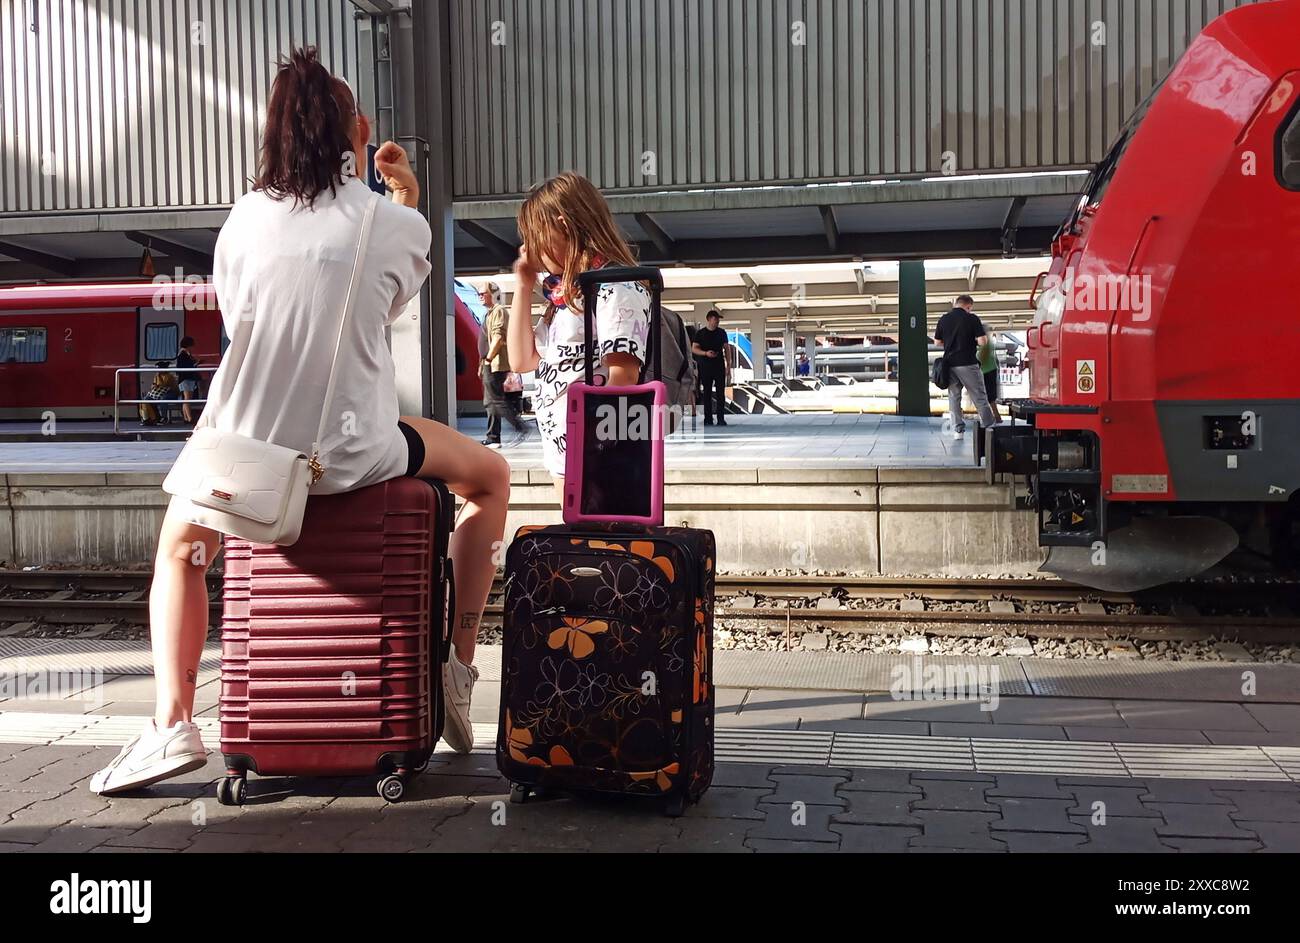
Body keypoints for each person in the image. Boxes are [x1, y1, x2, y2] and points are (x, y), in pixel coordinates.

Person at [89, 47, 508, 795]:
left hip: (241, 456)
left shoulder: (242, 221)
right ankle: (458, 664)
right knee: (491, 477)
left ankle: (172, 722)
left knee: (181, 548)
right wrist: (401, 197)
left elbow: (243, 317)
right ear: (360, 132)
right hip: (353, 454)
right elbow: (389, 302)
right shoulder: (393, 222)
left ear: (277, 135)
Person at [506, 171, 651, 501]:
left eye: (535, 235)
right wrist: (524, 284)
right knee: (583, 547)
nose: (530, 248)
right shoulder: (565, 297)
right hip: (564, 453)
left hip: (598, 457)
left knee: (602, 547)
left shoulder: (615, 287)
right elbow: (521, 359)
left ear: (564, 226)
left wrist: (592, 450)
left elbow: (623, 377)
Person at [934, 294, 997, 440]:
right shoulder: (972, 318)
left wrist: (951, 343)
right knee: (979, 396)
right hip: (968, 363)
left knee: (954, 397)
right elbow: (982, 341)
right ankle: (989, 426)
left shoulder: (944, 319)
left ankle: (958, 431)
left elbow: (937, 342)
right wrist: (972, 340)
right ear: (968, 306)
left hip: (949, 364)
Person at [479, 281, 526, 449]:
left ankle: (520, 426)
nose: (480, 297)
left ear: (493, 294)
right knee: (490, 402)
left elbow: (498, 338)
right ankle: (493, 437)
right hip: (488, 363)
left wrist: (489, 359)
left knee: (495, 400)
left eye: (483, 293)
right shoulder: (489, 313)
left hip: (494, 363)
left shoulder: (498, 311)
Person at [691, 309, 730, 426]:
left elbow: (727, 348)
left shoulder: (722, 333)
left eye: (718, 319)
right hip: (705, 366)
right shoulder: (700, 333)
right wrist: (705, 353)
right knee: (707, 392)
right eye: (715, 319)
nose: (717, 321)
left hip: (719, 365)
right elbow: (694, 348)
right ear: (709, 320)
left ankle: (721, 418)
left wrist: (729, 365)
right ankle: (708, 418)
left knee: (720, 393)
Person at [976, 318, 1002, 423]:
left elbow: (981, 357)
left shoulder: (984, 342)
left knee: (987, 396)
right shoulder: (988, 341)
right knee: (989, 396)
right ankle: (995, 416)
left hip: (986, 371)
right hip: (991, 369)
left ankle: (994, 417)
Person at [174, 336, 201, 424]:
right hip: (186, 379)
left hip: (185, 379)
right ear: (188, 345)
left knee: (185, 399)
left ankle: (186, 417)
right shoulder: (183, 354)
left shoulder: (183, 354)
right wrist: (195, 364)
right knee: (187, 399)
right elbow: (185, 366)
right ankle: (189, 418)